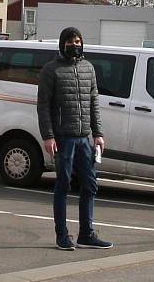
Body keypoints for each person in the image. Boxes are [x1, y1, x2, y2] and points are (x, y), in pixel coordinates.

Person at [37, 27, 112, 251]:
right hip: (63, 138)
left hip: (84, 139)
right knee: (63, 185)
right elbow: (43, 106)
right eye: (70, 42)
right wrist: (48, 136)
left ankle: (86, 234)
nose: (75, 45)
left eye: (78, 41)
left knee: (90, 185)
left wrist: (98, 133)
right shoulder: (51, 70)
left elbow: (94, 102)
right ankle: (62, 235)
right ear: (62, 44)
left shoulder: (88, 68)